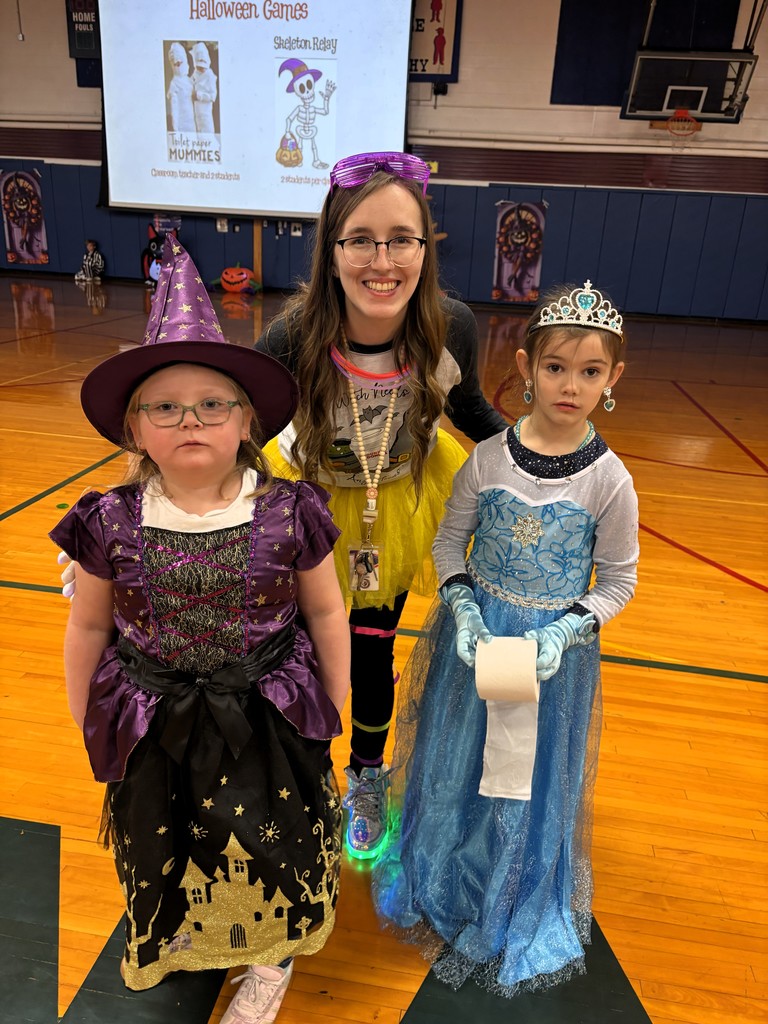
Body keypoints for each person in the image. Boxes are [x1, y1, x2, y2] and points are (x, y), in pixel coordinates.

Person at [50, 238, 350, 1024]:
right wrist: (88, 715)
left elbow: (325, 611)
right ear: (134, 428)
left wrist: (333, 699)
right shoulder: (107, 520)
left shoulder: (291, 510)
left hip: (269, 716)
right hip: (153, 719)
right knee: (170, 837)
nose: (190, 420)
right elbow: (89, 626)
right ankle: (189, 934)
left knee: (275, 838)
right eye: (165, 406)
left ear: (247, 421)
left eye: (213, 404)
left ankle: (271, 957)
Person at [372, 280, 639, 996]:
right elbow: (449, 543)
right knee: (458, 760)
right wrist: (463, 609)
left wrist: (565, 630)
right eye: (556, 367)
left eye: (590, 372)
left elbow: (618, 581)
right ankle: (443, 873)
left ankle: (509, 887)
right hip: (477, 642)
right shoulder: (488, 458)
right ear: (525, 367)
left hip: (551, 659)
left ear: (613, 378)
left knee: (527, 775)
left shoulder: (610, 482)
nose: (570, 386)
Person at [254, 151, 508, 859]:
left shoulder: (450, 328)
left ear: (425, 247)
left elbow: (470, 409)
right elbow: (237, 431)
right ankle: (299, 776)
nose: (382, 261)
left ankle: (366, 776)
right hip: (308, 517)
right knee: (292, 655)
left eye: (401, 239)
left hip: (394, 513)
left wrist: (543, 461)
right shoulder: (294, 336)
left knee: (370, 655)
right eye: (361, 240)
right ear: (331, 251)